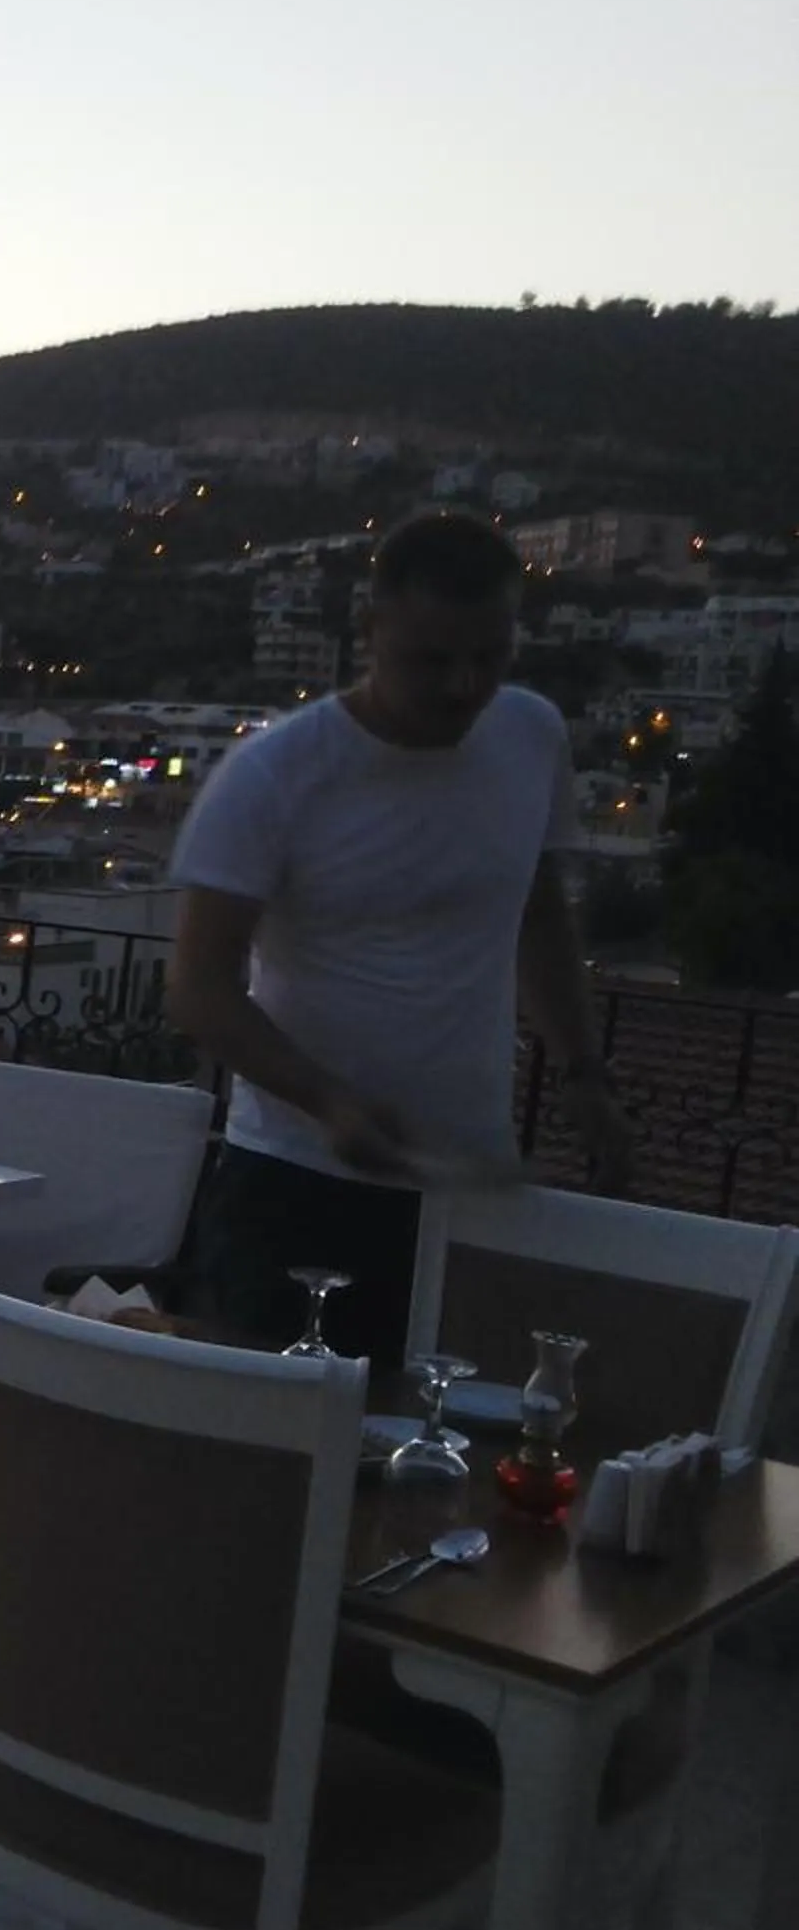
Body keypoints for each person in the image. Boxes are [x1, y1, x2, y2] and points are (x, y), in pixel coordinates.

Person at [168, 510, 632, 1371]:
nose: (463, 686)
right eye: (432, 660)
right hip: (295, 1187)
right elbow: (199, 989)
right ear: (370, 627)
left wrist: (582, 1074)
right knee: (282, 1460)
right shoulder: (275, 775)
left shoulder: (531, 736)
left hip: (468, 1185)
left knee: (447, 1454)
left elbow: (537, 914)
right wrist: (329, 1099)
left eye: (489, 658)